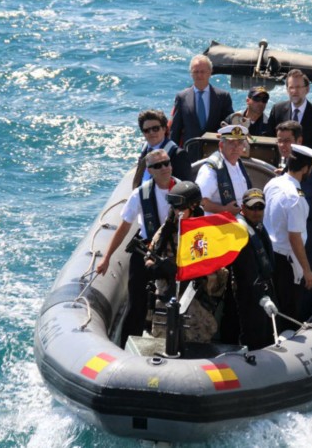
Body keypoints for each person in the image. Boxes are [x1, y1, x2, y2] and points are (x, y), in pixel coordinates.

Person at [96, 149, 179, 348]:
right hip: (147, 249)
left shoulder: (183, 188)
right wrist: (106, 257)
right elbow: (124, 227)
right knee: (136, 304)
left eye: (166, 163)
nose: (164, 168)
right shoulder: (140, 194)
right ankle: (124, 346)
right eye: (158, 166)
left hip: (176, 252)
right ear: (149, 170)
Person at [147, 181, 228, 343]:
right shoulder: (167, 231)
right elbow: (150, 256)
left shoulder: (205, 233)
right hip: (168, 297)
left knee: (196, 342)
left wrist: (192, 272)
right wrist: (159, 268)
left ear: (193, 206)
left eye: (181, 208)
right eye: (175, 208)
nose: (177, 212)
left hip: (195, 300)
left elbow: (218, 270)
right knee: (163, 341)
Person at [263, 144, 312, 332]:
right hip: (286, 263)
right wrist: (307, 271)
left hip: (268, 253)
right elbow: (294, 238)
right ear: (306, 168)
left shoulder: (273, 183)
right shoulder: (296, 199)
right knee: (289, 309)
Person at [220, 188, 275, 350]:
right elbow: (246, 271)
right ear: (242, 208)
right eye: (252, 207)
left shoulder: (257, 226)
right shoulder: (240, 232)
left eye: (260, 207)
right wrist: (262, 297)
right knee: (251, 336)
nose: (256, 212)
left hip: (259, 291)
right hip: (246, 295)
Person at [170, 54, 234, 163]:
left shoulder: (223, 97)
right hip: (189, 155)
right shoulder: (181, 97)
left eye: (202, 71)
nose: (199, 75)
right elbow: (175, 130)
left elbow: (229, 127)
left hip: (215, 154)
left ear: (210, 72)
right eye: (196, 72)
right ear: (191, 74)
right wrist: (172, 156)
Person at [266, 69, 312, 154]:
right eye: (291, 87)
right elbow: (269, 141)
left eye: (298, 87)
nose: (294, 91)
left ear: (307, 89)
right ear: (287, 90)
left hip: (307, 165)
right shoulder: (277, 110)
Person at [195, 124, 252, 216]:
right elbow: (201, 201)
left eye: (239, 143)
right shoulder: (211, 169)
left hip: (239, 221)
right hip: (219, 225)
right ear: (221, 145)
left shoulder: (238, 164)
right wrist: (224, 210)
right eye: (231, 143)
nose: (236, 147)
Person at [132, 109, 192, 189]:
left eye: (155, 128)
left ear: (164, 129)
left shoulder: (178, 155)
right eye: (147, 130)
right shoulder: (145, 150)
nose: (151, 133)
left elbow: (185, 188)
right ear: (143, 133)